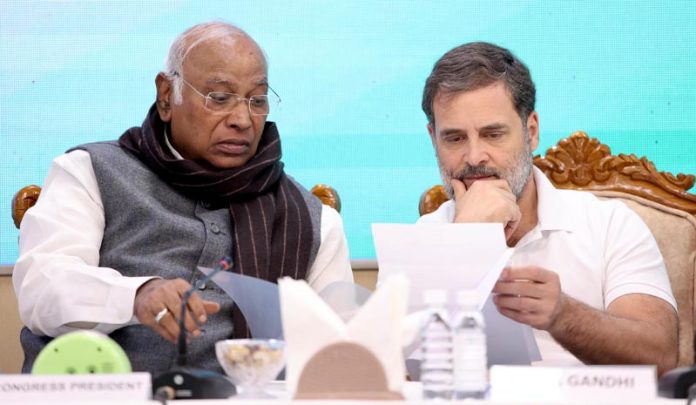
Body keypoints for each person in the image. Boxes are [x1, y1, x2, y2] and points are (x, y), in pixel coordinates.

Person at [13, 21, 353, 375]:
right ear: (166, 96)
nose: (242, 119)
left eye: (257, 100)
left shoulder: (309, 217)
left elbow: (342, 345)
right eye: (219, 98)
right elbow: (42, 287)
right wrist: (137, 295)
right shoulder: (91, 171)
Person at [418, 42, 678, 374]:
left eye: (493, 134)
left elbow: (660, 357)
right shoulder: (425, 238)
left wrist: (564, 315)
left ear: (531, 132)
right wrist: (465, 242)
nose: (474, 157)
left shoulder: (611, 225)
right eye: (454, 138)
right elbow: (398, 373)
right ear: (433, 139)